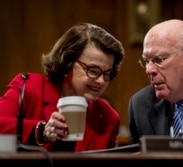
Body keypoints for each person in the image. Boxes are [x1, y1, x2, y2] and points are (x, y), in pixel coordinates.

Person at [0, 23, 125, 152]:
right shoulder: (29, 86)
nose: (101, 81)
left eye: (107, 74)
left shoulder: (109, 118)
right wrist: (41, 131)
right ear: (67, 63)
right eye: (93, 70)